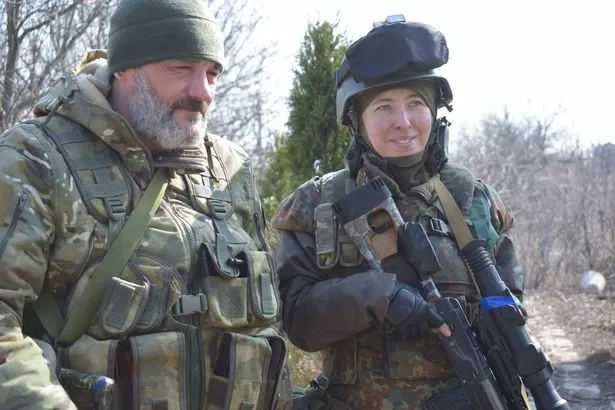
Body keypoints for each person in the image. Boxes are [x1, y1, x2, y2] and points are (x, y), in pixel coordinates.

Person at [0, 0, 292, 408]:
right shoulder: (35, 157)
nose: (202, 92)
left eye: (211, 74)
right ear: (125, 67)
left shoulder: (230, 170)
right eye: (182, 69)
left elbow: (265, 327)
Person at [271, 15, 525, 409]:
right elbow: (297, 324)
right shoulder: (316, 204)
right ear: (357, 121)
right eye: (384, 107)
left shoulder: (476, 202)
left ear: (435, 110)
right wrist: (377, 295)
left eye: (415, 104)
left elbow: (511, 318)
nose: (402, 122)